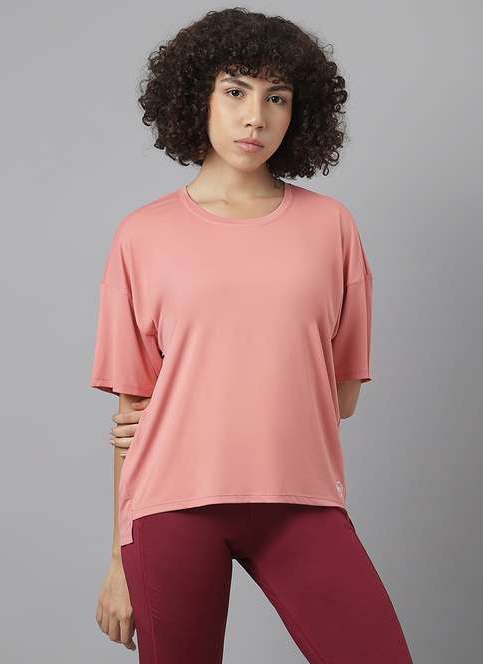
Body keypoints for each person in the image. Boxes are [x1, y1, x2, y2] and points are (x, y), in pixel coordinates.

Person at [90, 7, 414, 663]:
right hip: (171, 505)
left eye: (277, 97)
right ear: (198, 97)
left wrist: (216, 401)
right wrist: (119, 561)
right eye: (235, 91)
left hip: (300, 499)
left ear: (299, 112)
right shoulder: (142, 235)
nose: (255, 117)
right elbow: (133, 414)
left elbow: (342, 394)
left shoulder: (332, 228)